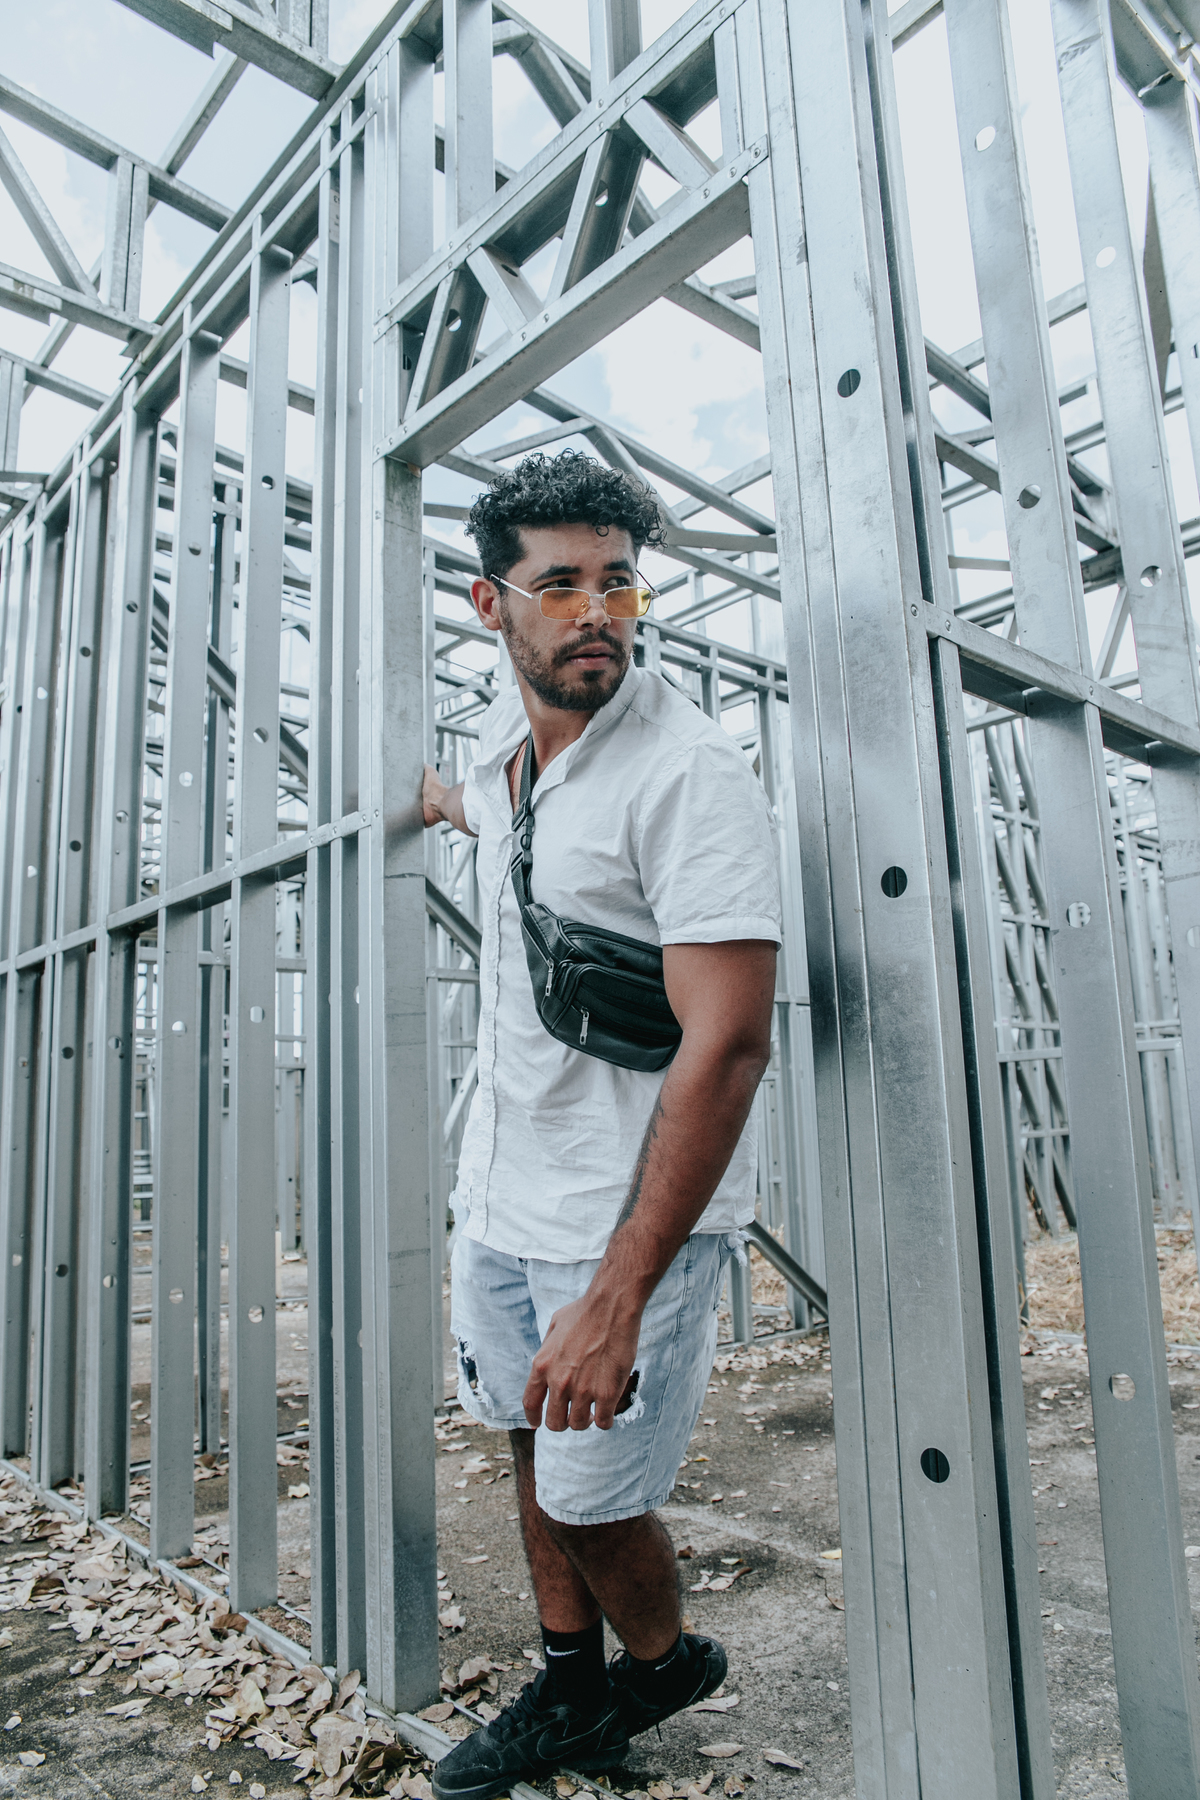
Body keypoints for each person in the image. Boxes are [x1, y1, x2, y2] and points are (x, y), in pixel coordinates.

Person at [422, 451, 782, 1800]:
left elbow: (732, 1039)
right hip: (506, 1191)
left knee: (584, 1492)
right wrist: (428, 797)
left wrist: (623, 1291)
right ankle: (570, 1692)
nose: (595, 611)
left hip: (625, 1222)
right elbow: (479, 812)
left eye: (618, 581)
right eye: (560, 583)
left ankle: (664, 1659)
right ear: (489, 604)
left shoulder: (687, 775)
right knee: (527, 1439)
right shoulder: (509, 769)